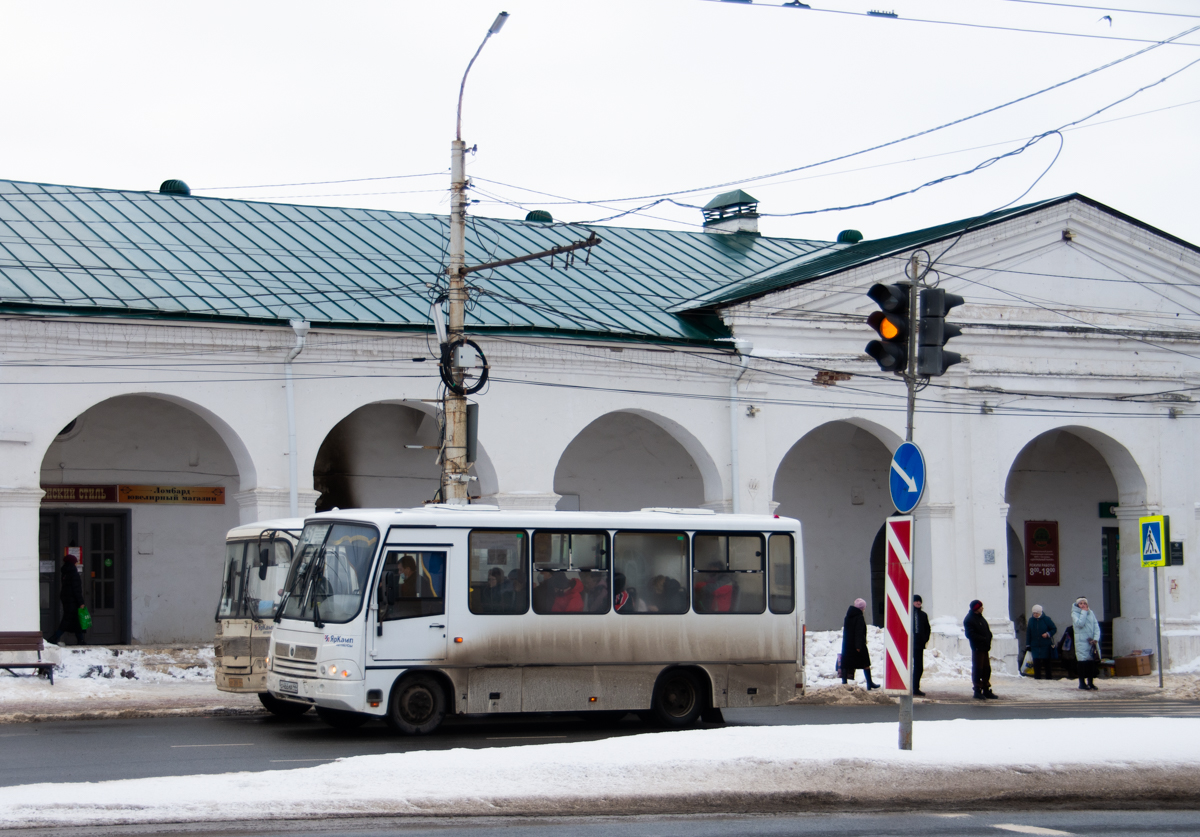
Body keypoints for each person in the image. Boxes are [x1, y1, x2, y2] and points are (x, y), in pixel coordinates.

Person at [841, 598, 879, 689]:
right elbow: (859, 632)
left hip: (847, 644)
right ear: (862, 608)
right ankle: (869, 683)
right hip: (858, 644)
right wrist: (858, 646)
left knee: (847, 663)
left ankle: (844, 683)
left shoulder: (848, 616)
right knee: (865, 663)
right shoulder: (859, 617)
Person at [963, 599, 997, 699]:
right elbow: (970, 634)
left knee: (986, 669)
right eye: (980, 606)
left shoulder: (980, 618)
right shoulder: (969, 619)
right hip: (977, 647)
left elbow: (986, 630)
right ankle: (977, 689)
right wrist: (983, 639)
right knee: (978, 669)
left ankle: (986, 688)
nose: (982, 608)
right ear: (976, 608)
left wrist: (988, 637)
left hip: (985, 647)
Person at [50, 554, 86, 646]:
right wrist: (81, 602)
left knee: (76, 621)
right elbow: (77, 589)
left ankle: (80, 639)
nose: (76, 564)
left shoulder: (65, 573)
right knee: (67, 621)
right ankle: (54, 637)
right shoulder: (74, 574)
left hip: (67, 601)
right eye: (75, 562)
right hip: (73, 602)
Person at [1072, 596, 1101, 691]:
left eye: (1085, 603)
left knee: (1091, 664)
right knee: (1082, 663)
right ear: (1077, 605)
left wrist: (1096, 639)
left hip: (1091, 642)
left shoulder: (1091, 613)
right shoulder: (1074, 614)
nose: (1083, 605)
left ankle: (1091, 682)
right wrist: (1083, 612)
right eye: (1081, 603)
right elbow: (1080, 623)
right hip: (1081, 642)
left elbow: (1096, 627)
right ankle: (1082, 683)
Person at [1025, 604, 1057, 680]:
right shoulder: (1031, 620)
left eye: (1037, 613)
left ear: (1040, 612)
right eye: (1034, 613)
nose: (1035, 615)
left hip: (1045, 645)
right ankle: (1037, 677)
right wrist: (1028, 644)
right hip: (1035, 645)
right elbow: (1028, 633)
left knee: (1047, 662)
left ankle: (1049, 678)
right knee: (1036, 662)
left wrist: (1048, 634)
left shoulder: (1046, 619)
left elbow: (1054, 629)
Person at [912, 594, 931, 697]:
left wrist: (925, 638)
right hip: (909, 645)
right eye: (916, 601)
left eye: (920, 601)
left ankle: (915, 687)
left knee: (919, 667)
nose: (918, 603)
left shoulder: (923, 615)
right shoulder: (908, 614)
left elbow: (927, 628)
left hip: (919, 644)